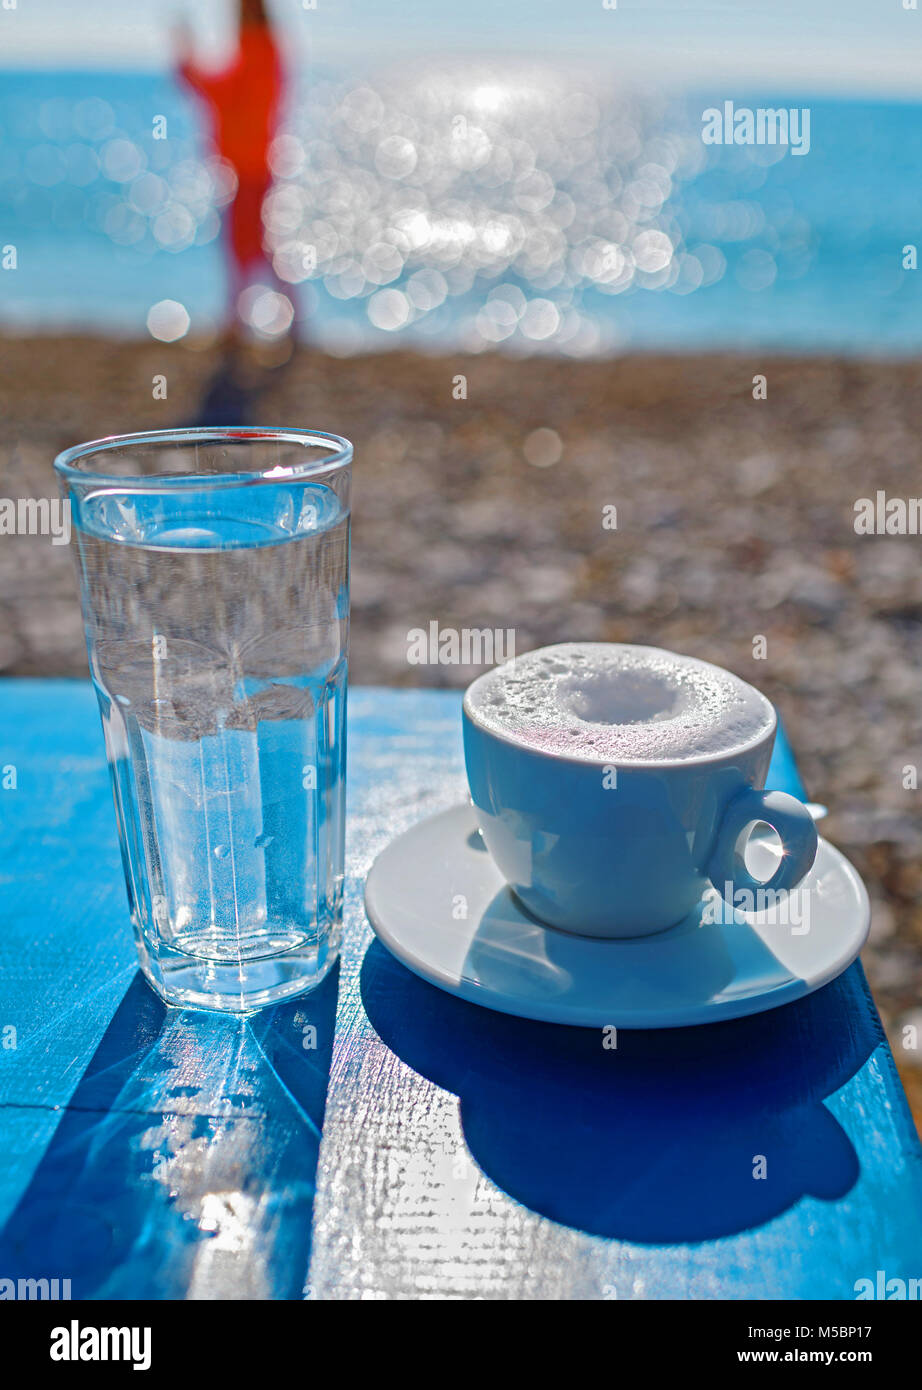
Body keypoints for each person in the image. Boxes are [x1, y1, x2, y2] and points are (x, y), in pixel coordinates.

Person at [175, 0, 286, 341]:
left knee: (244, 243)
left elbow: (222, 93)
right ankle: (265, 318)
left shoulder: (258, 54)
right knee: (255, 243)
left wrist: (188, 61)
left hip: (250, 165)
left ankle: (240, 320)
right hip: (253, 163)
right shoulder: (266, 52)